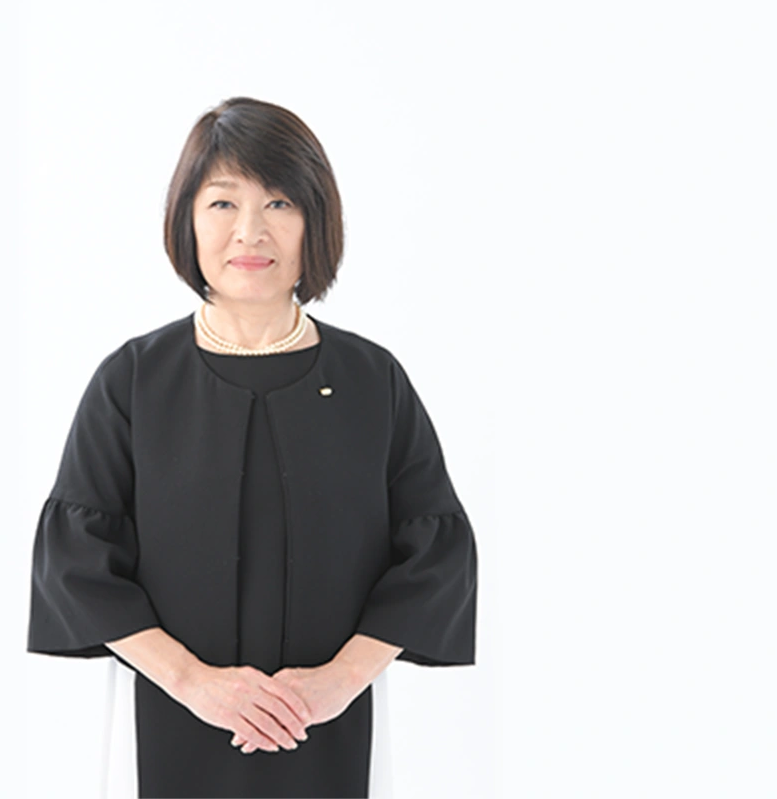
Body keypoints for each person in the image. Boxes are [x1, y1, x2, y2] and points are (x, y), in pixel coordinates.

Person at [27, 96, 478, 798]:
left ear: (315, 222)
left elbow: (435, 553)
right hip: (169, 722)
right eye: (222, 203)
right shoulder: (134, 379)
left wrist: (339, 682)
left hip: (329, 728)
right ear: (186, 220)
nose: (250, 231)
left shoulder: (372, 380)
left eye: (279, 203)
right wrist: (194, 683)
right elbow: (76, 562)